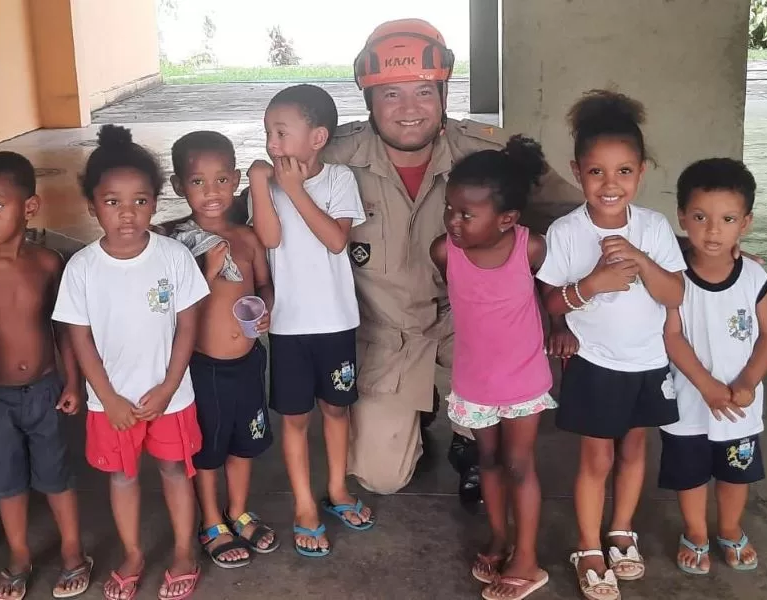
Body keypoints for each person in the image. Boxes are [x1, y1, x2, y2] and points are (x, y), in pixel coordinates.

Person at [314, 18, 586, 498]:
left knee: (503, 450)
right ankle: (420, 415)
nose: (408, 110)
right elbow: (258, 215)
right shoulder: (332, 160)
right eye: (390, 94)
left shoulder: (487, 153)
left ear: (443, 93)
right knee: (381, 478)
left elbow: (577, 216)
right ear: (368, 101)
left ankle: (469, 438)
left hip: (476, 332)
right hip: (386, 339)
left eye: (423, 90)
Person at [535, 90, 687, 600]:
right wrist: (594, 283)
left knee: (636, 448)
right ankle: (588, 546)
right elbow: (553, 302)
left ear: (641, 172)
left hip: (648, 360)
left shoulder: (654, 227)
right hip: (596, 363)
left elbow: (675, 293)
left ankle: (621, 531)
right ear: (578, 172)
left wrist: (642, 262)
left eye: (623, 171)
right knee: (596, 460)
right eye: (597, 171)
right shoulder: (566, 232)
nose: (610, 184)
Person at [52, 124, 209, 600]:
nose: (127, 214)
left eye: (140, 201)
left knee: (174, 471)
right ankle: (134, 553)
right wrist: (108, 397)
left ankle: (185, 551)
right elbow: (79, 339)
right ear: (92, 204)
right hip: (111, 403)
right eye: (112, 201)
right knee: (121, 478)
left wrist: (167, 387)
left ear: (156, 203)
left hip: (171, 395)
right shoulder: (82, 268)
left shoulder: (174, 256)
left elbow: (187, 327)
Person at [0, 151, 93, 599]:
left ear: (29, 208)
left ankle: (72, 553)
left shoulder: (47, 263)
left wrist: (73, 381)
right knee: (6, 482)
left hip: (46, 390)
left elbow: (63, 329)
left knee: (56, 476)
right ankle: (19, 557)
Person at [430, 135, 564, 600]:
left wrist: (561, 325)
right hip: (474, 383)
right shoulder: (445, 252)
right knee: (486, 461)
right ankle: (499, 538)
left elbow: (553, 292)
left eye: (467, 214)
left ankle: (526, 559)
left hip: (523, 380)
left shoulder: (531, 249)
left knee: (520, 464)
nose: (454, 221)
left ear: (507, 219)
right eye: (451, 209)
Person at [248, 83, 374, 557]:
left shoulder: (339, 179)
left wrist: (295, 188)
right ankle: (304, 504)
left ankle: (337, 490)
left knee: (336, 409)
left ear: (317, 137)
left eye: (281, 132)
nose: (272, 144)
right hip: (287, 327)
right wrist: (263, 185)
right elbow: (270, 239)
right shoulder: (269, 186)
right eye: (267, 134)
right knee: (295, 419)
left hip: (335, 321)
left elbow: (336, 241)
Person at [659, 158, 767, 575]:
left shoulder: (752, 276)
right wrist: (707, 385)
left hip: (739, 406)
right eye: (700, 217)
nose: (713, 230)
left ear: (744, 223)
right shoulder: (673, 275)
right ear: (681, 217)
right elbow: (672, 335)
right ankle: (695, 533)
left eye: (727, 219)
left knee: (735, 475)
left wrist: (748, 380)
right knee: (690, 476)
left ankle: (729, 529)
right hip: (691, 404)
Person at [167, 131, 279, 569]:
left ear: (235, 179)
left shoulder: (247, 237)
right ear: (178, 186)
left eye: (220, 180)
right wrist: (204, 271)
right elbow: (169, 305)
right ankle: (211, 520)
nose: (211, 192)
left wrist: (266, 310)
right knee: (208, 448)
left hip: (248, 362)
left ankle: (238, 510)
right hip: (203, 367)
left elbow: (265, 285)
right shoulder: (175, 243)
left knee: (244, 442)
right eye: (197, 182)